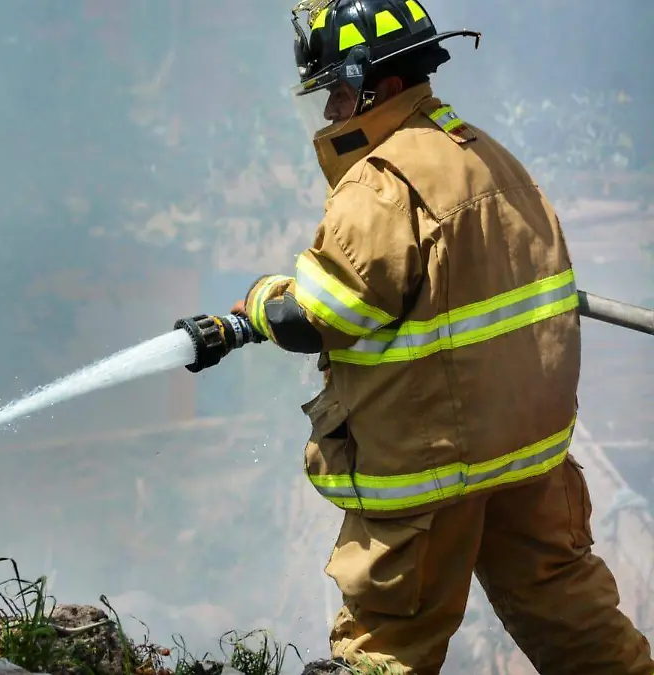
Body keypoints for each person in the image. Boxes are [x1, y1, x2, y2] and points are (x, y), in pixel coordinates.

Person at [222, 0, 654, 672]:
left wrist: (259, 301)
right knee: (573, 616)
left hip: (435, 465)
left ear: (381, 85)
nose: (333, 113)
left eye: (337, 92)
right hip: (527, 456)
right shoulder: (493, 159)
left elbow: (321, 314)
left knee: (389, 637)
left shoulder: (381, 183)